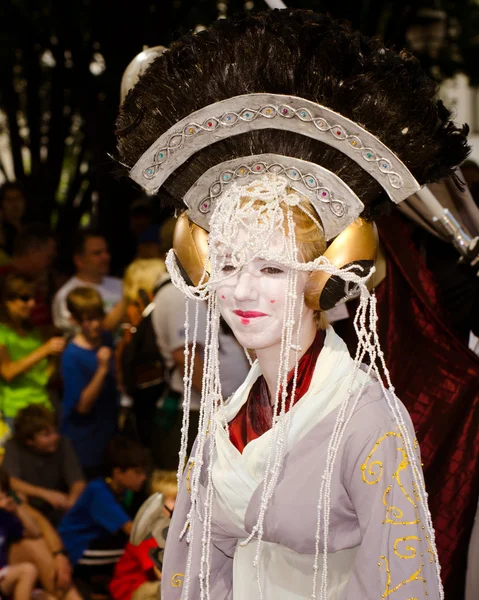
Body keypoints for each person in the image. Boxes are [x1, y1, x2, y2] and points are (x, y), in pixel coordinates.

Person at [115, 9, 469, 600]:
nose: (242, 291)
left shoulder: (368, 421)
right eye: (227, 266)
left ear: (319, 278)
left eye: (272, 268)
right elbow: (193, 572)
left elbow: (397, 584)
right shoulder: (223, 424)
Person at [58, 437, 148, 597]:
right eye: (137, 472)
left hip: (98, 543)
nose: (143, 478)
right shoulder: (98, 491)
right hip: (78, 548)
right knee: (136, 552)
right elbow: (132, 529)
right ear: (118, 472)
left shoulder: (125, 492)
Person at [60, 286, 119, 479]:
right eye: (88, 320)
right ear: (74, 321)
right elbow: (82, 406)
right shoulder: (72, 356)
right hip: (85, 444)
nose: (95, 325)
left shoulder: (106, 339)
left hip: (108, 435)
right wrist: (102, 369)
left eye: (98, 317)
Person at [0, 467, 82, 600]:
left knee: (48, 598)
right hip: (11, 574)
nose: (2, 496)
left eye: (3, 491)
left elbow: (36, 531)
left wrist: (17, 510)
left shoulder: (4, 517)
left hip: (6, 574)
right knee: (28, 570)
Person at [0, 274, 65, 430]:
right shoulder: (2, 332)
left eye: (34, 298)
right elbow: (7, 372)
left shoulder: (34, 333)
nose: (32, 304)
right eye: (25, 298)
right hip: (17, 411)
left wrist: (55, 356)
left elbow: (46, 374)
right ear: (7, 301)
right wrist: (44, 350)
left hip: (43, 406)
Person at [3, 404, 86, 525]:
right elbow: (10, 480)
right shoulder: (14, 447)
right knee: (19, 496)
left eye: (55, 431)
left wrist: (72, 500)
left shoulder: (63, 444)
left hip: (58, 507)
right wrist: (46, 494)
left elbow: (77, 480)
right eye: (47, 435)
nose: (55, 437)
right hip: (30, 507)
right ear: (29, 441)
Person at [109, 470, 177, 600]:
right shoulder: (149, 532)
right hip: (131, 590)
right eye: (174, 499)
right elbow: (162, 573)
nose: (181, 504)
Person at [52, 229, 125, 335]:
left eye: (106, 251)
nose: (106, 257)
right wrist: (127, 300)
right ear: (79, 260)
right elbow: (89, 334)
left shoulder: (121, 284)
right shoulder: (66, 295)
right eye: (97, 253)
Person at [0, 225, 57, 331]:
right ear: (33, 252)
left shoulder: (34, 281)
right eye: (49, 257)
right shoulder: (3, 280)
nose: (50, 263)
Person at [0, 182, 26, 257]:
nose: (15, 204)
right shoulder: (3, 231)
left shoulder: (30, 226)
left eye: (18, 198)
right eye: (9, 200)